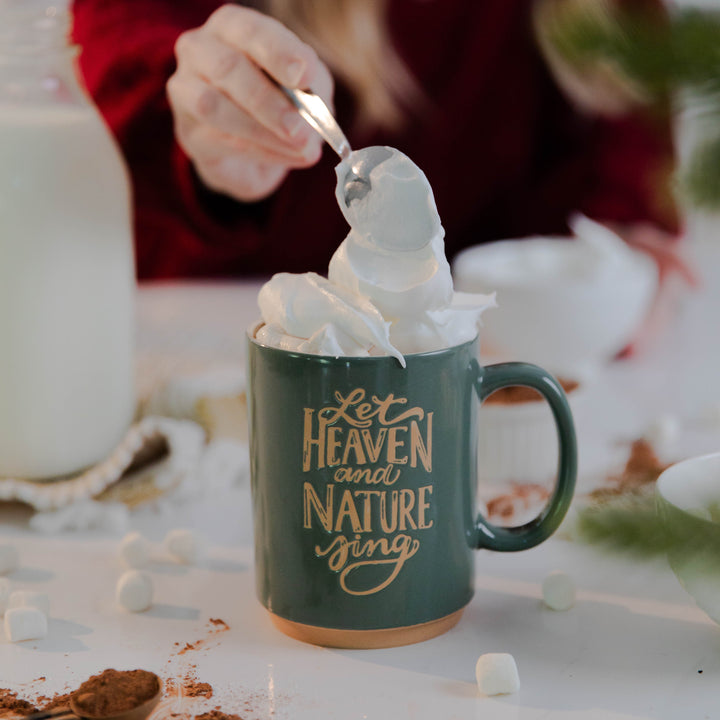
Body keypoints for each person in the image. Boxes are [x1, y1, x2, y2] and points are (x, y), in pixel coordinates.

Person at [71, 0, 683, 282]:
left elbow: (628, 139)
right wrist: (206, 133)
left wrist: (617, 255)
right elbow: (128, 66)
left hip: (498, 387)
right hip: (224, 365)